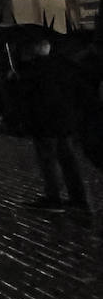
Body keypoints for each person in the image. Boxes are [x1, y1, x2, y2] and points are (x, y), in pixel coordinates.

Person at [13, 37, 91, 213]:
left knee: (48, 160)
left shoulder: (34, 70)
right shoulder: (65, 66)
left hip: (45, 122)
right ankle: (78, 198)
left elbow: (29, 99)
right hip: (65, 121)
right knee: (68, 159)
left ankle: (53, 197)